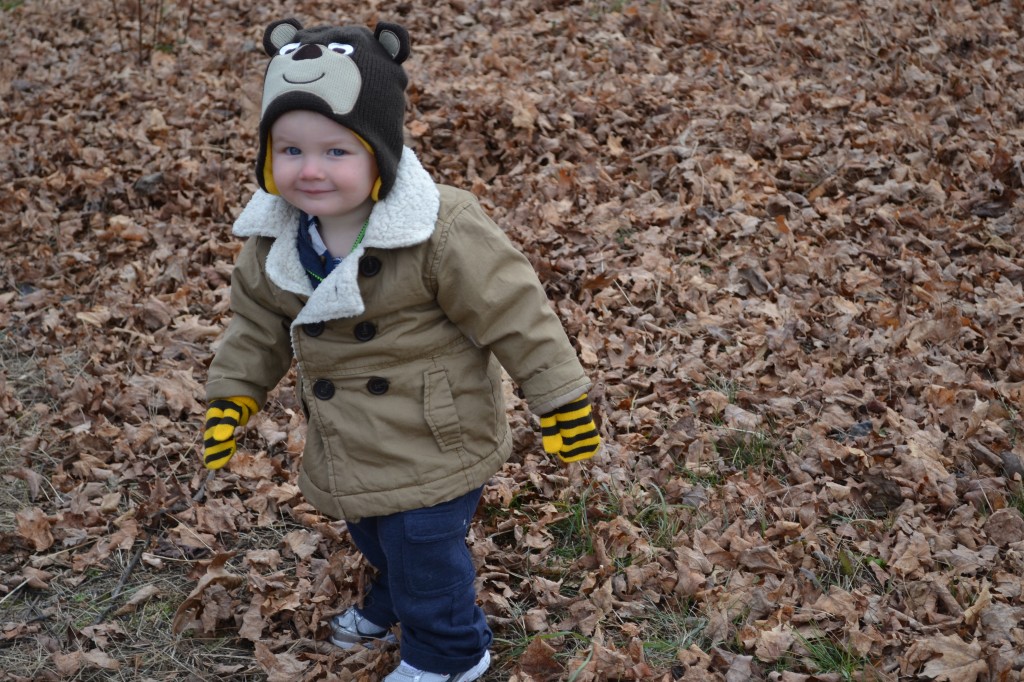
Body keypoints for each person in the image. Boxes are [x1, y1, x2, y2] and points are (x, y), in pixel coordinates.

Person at [202, 17, 601, 682]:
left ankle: (450, 652)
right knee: (375, 531)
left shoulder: (437, 228)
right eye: (291, 150)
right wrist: (232, 395)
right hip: (350, 438)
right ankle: (393, 599)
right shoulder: (275, 241)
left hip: (435, 429)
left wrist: (557, 394)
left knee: (422, 544)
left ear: (379, 152)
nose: (311, 170)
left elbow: (514, 307)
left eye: (336, 151)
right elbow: (255, 326)